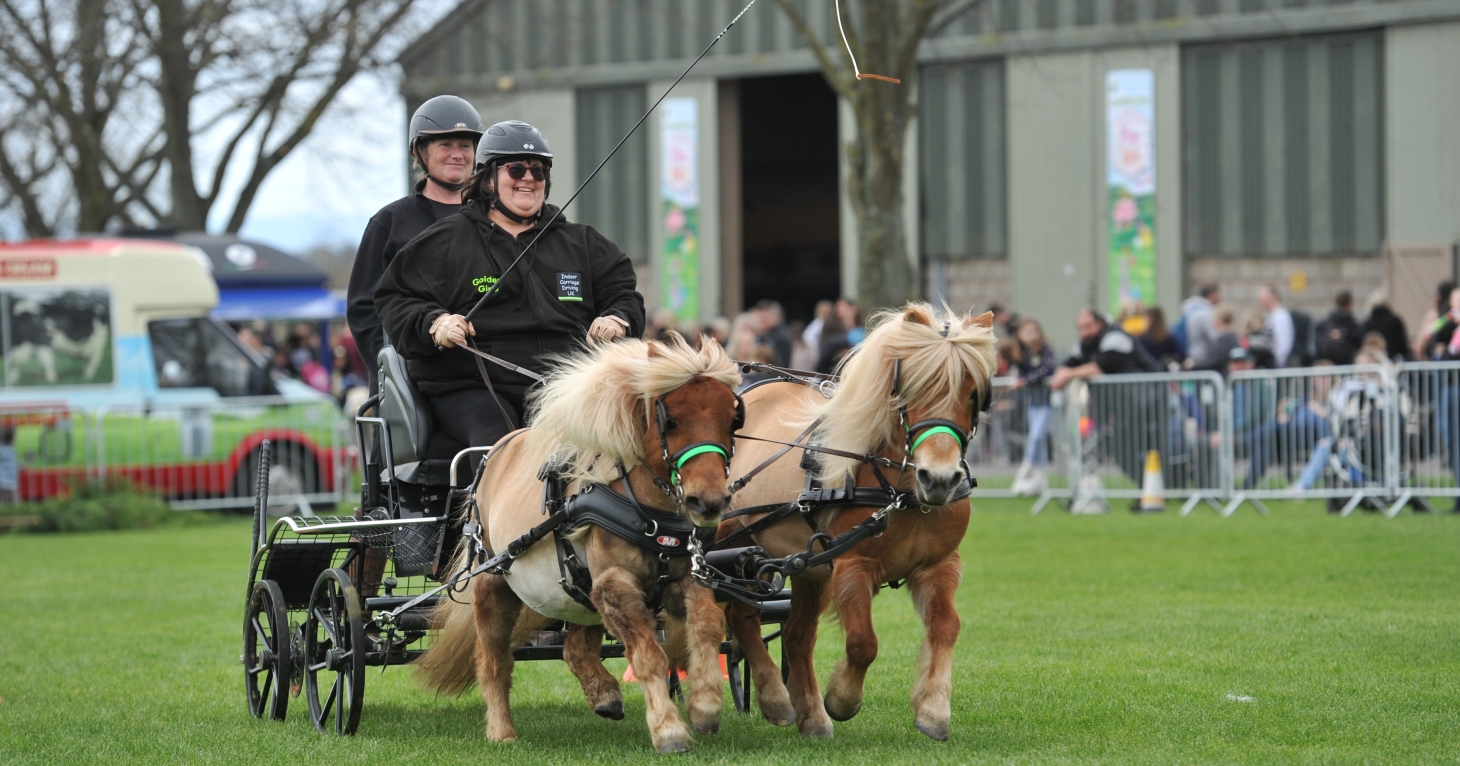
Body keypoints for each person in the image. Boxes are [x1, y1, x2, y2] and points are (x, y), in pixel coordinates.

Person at [375, 119, 645, 453]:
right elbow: (397, 297)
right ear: (488, 178)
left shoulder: (584, 243)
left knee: (608, 446)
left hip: (564, 383)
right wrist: (434, 322)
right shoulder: (443, 241)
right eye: (516, 170)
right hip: (472, 385)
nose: (529, 179)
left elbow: (623, 292)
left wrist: (618, 317)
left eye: (539, 171)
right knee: (502, 445)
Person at [347, 95, 484, 395]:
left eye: (465, 145)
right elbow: (363, 307)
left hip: (485, 375)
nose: (457, 154)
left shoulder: (494, 219)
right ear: (419, 151)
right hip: (410, 382)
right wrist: (391, 371)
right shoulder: (391, 222)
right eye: (445, 145)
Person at [1008, 318, 1057, 496]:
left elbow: (1047, 369)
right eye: (1027, 332)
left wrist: (1025, 381)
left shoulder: (1046, 349)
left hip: (1048, 401)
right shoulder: (1021, 351)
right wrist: (1021, 379)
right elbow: (1020, 371)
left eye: (1034, 331)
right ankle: (1040, 481)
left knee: (1036, 436)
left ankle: (1025, 468)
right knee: (1038, 440)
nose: (1031, 335)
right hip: (1033, 402)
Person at [1315, 291, 1362, 365]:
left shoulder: (1325, 324)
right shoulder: (1352, 326)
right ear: (1350, 304)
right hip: (1347, 366)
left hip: (1327, 366)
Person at [1180, 284, 1221, 362]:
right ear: (1212, 295)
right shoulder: (1204, 314)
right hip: (1203, 359)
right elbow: (1214, 337)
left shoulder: (1192, 311)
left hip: (1192, 355)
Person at [1258, 284, 1295, 367]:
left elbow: (1283, 345)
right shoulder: (1273, 316)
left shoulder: (1280, 316)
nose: (1260, 301)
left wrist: (1277, 365)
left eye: (1263, 297)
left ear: (1273, 297)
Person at [1139, 306, 1184, 370]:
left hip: (1148, 373)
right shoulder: (1169, 338)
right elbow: (1181, 355)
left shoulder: (1143, 339)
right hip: (1166, 374)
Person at [0, 425, 16, 504]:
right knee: (11, 503)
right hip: (10, 483)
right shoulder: (10, 450)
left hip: (3, 482)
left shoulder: (3, 448)